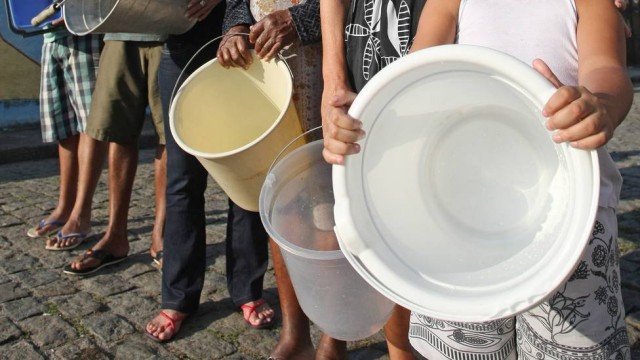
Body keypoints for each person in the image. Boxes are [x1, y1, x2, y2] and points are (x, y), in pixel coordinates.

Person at [322, 0, 633, 359]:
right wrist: (360, 124)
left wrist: (599, 106)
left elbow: (607, 69)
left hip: (574, 222)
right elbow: (411, 79)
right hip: (456, 231)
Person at [144, 0, 275, 342]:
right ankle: (177, 297)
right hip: (182, 44)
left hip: (241, 42)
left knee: (247, 171)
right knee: (182, 179)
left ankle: (247, 288)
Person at [217, 0, 334, 358]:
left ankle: (334, 335)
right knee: (284, 207)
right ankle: (295, 334)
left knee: (330, 209)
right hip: (268, 68)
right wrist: (235, 29)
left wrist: (301, 19)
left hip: (328, 62)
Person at [46, 31, 167, 276]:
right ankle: (115, 236)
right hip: (120, 30)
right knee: (117, 132)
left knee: (169, 135)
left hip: (172, 29)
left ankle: (161, 236)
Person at [26, 20, 102, 241]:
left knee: (90, 126)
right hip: (51, 35)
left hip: (86, 31)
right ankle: (65, 206)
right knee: (65, 127)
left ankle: (81, 213)